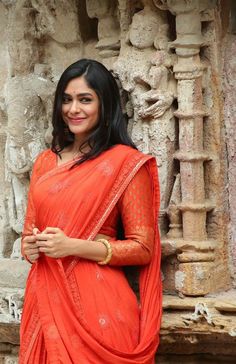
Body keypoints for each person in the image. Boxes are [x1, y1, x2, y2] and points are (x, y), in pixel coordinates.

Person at [19, 59, 162, 364]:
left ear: (105, 105)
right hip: (45, 301)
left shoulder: (125, 163)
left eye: (85, 100)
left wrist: (73, 246)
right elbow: (30, 232)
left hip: (99, 309)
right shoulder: (46, 161)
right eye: (67, 100)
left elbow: (142, 248)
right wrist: (30, 246)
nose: (73, 109)